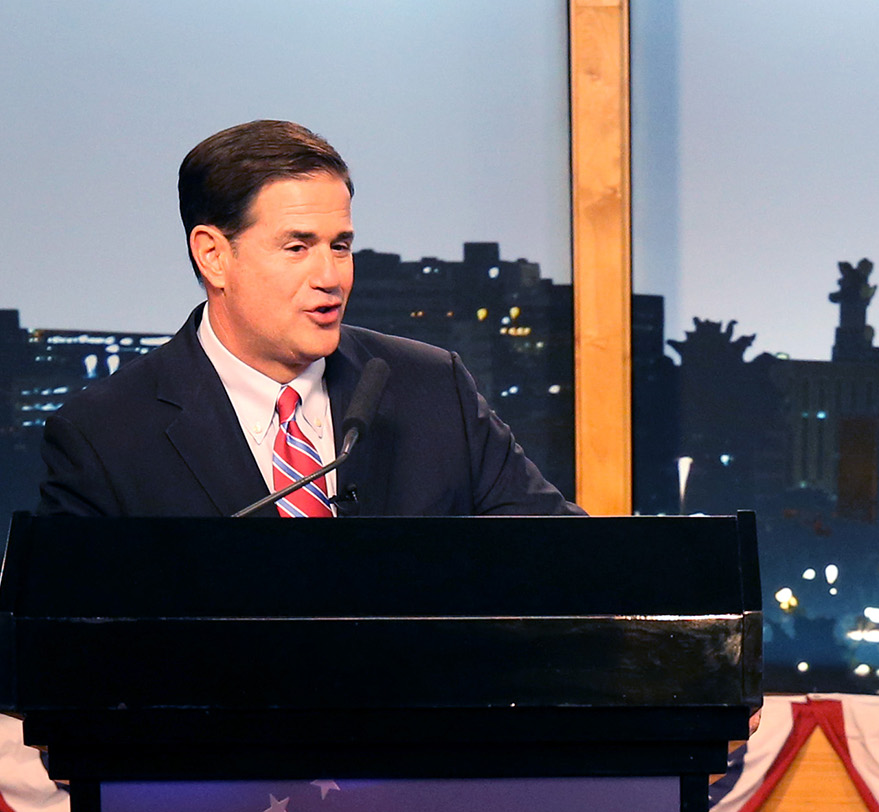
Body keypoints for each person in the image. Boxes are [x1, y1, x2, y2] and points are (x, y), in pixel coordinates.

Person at [36, 119, 579, 518]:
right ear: (213, 256)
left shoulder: (433, 388)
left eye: (340, 246)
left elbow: (568, 562)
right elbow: (76, 653)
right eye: (298, 247)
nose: (331, 277)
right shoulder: (104, 436)